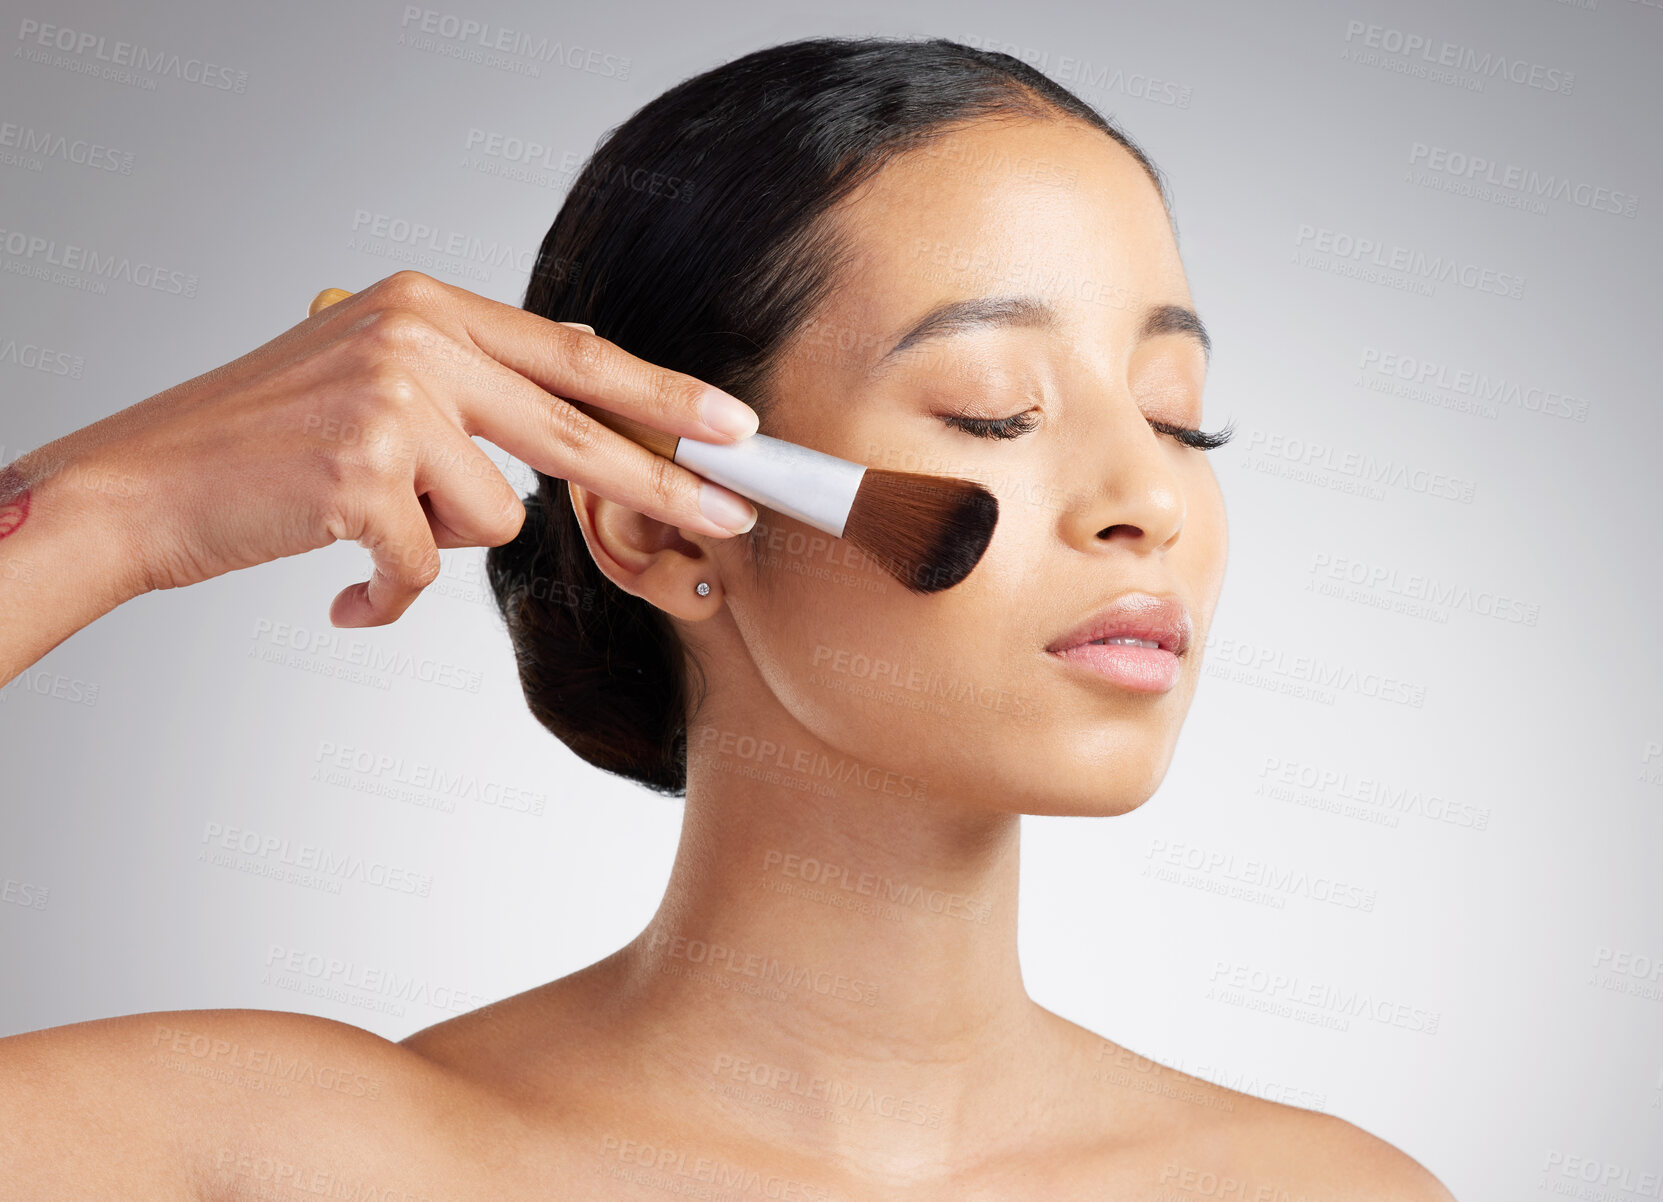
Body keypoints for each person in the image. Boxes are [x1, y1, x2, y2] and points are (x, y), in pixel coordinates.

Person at [0, 35, 1457, 1201]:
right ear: (660, 521)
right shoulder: (269, 1156)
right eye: (992, 408)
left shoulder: (1333, 1189)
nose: (1149, 493)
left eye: (1177, 418)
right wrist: (103, 513)